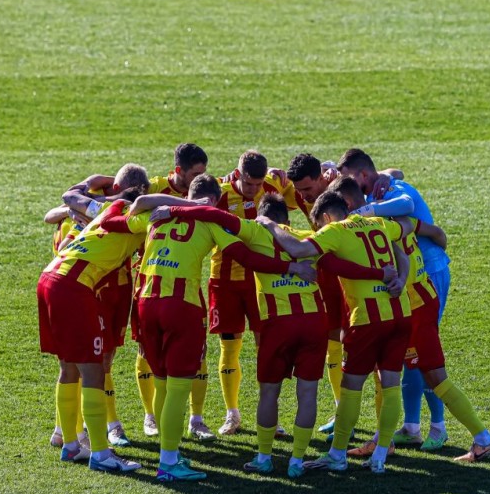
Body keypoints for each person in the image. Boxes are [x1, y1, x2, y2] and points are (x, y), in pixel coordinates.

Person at [157, 193, 397, 477]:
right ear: (288, 218)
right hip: (313, 322)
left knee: (269, 392)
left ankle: (264, 457)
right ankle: (297, 460)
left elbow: (216, 216)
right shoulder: (309, 236)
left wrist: (172, 209)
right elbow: (335, 266)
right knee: (307, 393)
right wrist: (381, 274)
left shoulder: (255, 229)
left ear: (262, 215)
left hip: (277, 324)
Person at [98, 175, 316, 481]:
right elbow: (245, 256)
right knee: (176, 386)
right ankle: (169, 462)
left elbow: (111, 224)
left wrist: (112, 204)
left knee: (161, 382)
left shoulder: (155, 216)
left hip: (145, 302)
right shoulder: (211, 223)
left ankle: (167, 451)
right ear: (212, 201)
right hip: (181, 304)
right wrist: (290, 267)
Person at [329, 175, 490, 463]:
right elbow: (425, 228)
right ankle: (385, 440)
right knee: (386, 373)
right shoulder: (388, 216)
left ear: (346, 205)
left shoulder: (369, 226)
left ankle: (483, 438)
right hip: (417, 300)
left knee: (433, 375)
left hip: (414, 306)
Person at [61, 145, 216, 441]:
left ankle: (196, 419)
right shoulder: (152, 187)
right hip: (146, 281)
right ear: (178, 171)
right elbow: (105, 202)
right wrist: (81, 203)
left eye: (203, 174)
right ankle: (148, 417)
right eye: (195, 174)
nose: (200, 179)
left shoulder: (203, 189)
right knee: (144, 351)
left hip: (185, 279)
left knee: (198, 351)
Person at [257, 190, 413, 474]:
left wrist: (270, 226)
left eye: (318, 226)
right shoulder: (377, 223)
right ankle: (379, 456)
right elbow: (404, 240)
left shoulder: (335, 230)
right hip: (400, 311)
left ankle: (338, 454)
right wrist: (401, 279)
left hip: (367, 318)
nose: (319, 232)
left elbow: (300, 250)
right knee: (391, 383)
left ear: (326, 217)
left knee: (351, 388)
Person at [36, 167, 151, 473]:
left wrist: (90, 183)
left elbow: (70, 196)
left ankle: (70, 443)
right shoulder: (134, 217)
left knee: (69, 367)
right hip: (74, 287)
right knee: (94, 370)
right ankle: (100, 452)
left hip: (50, 277)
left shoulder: (102, 208)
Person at [338, 148, 451, 450]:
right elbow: (395, 171)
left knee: (425, 355)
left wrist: (364, 212)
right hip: (409, 281)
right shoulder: (381, 186)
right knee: (409, 355)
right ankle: (412, 426)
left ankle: (438, 426)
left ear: (363, 175)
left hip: (427, 277)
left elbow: (406, 202)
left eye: (349, 180)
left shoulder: (390, 194)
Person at [209, 150, 294, 436]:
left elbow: (295, 194)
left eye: (259, 185)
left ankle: (270, 415)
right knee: (229, 346)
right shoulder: (219, 194)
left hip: (262, 281)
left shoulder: (273, 186)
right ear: (237, 174)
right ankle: (231, 413)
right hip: (225, 280)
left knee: (265, 346)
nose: (255, 190)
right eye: (249, 185)